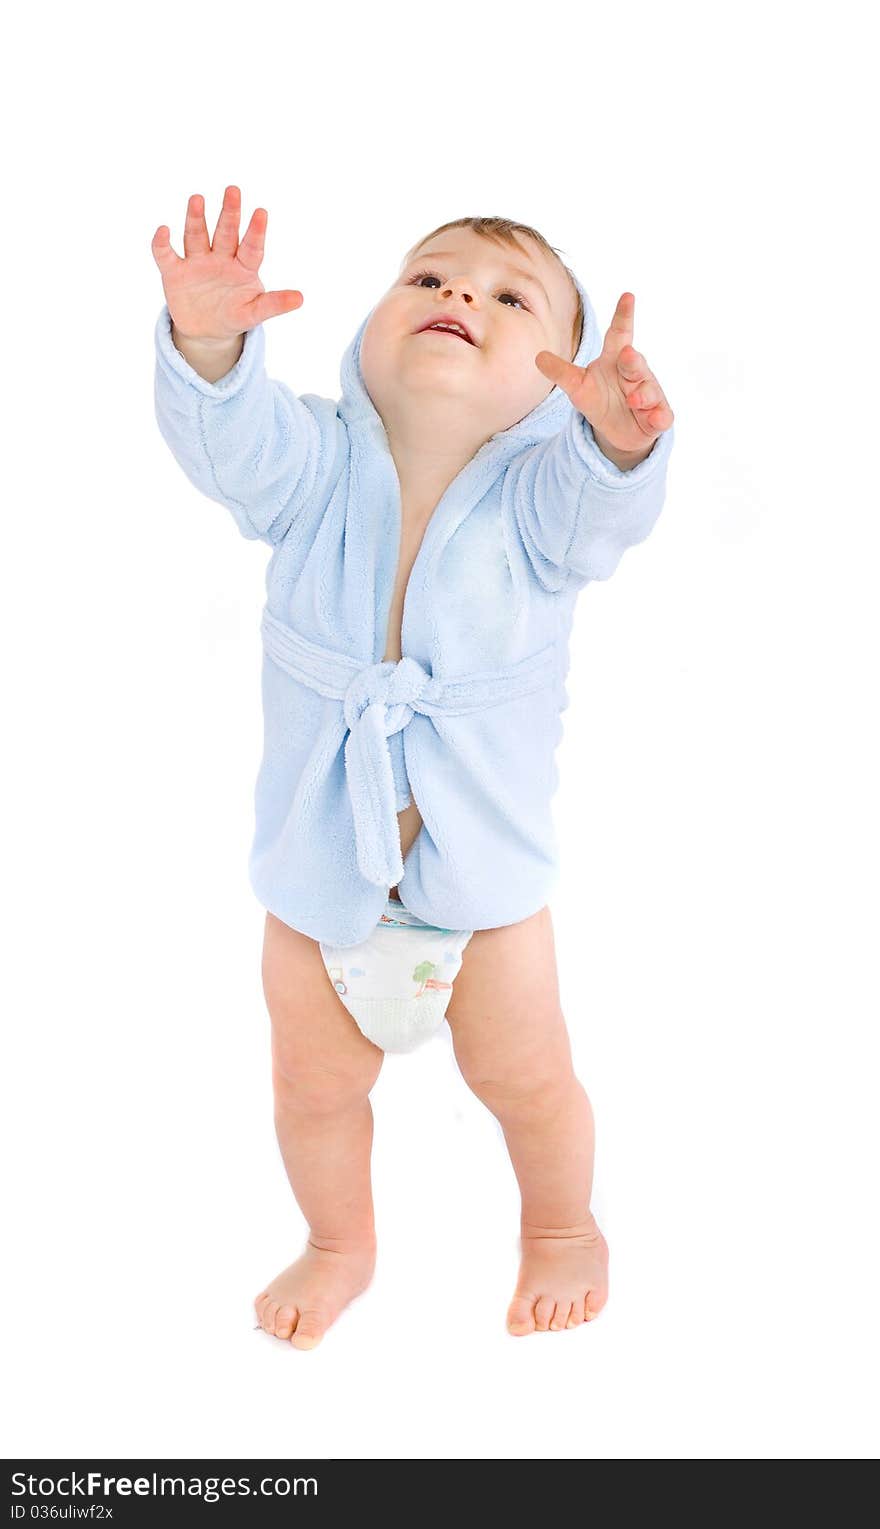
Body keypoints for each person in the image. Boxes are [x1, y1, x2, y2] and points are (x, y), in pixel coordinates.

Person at [151, 186, 675, 1349]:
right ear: (370, 329)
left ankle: (561, 1227)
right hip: (317, 887)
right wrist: (208, 341)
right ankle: (338, 1240)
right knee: (311, 1091)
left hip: (481, 901)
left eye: (506, 295)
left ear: (556, 381)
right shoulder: (314, 466)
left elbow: (603, 513)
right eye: (428, 278)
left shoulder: (540, 503)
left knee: (530, 1085)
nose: (456, 297)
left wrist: (618, 441)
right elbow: (228, 443)